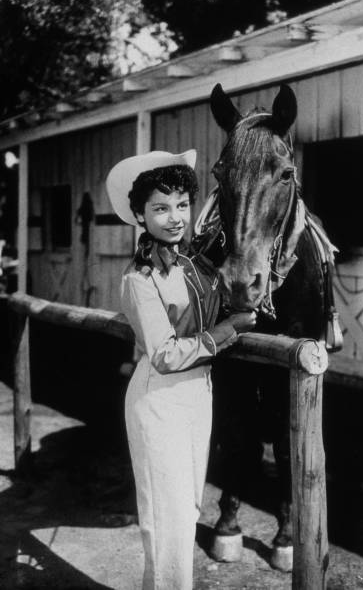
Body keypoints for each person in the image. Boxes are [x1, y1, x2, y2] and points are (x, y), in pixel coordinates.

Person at [106, 149, 256, 590]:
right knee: (166, 519)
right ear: (139, 214)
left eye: (182, 205)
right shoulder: (140, 278)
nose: (175, 218)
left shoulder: (194, 265)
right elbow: (166, 354)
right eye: (160, 208)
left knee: (187, 509)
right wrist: (227, 330)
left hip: (198, 394)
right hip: (160, 397)